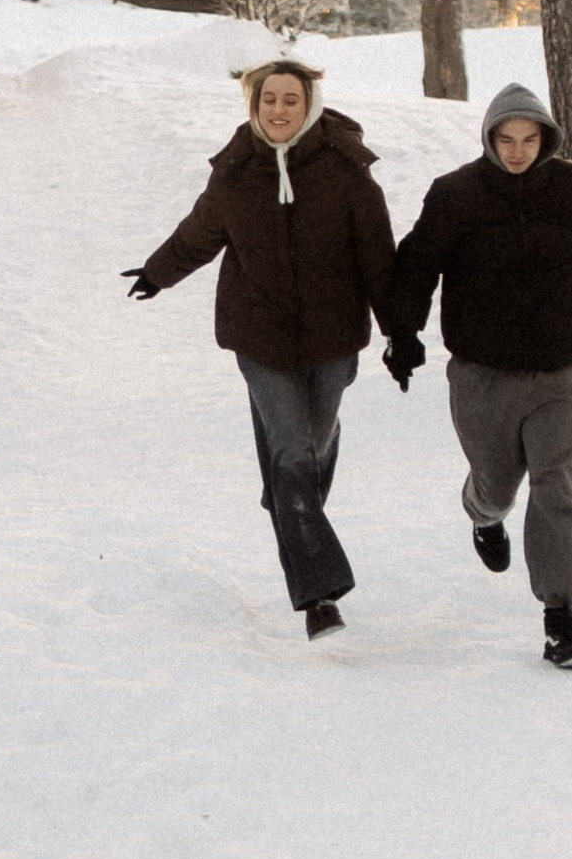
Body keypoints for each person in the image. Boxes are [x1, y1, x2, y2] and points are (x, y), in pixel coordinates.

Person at [126, 57, 396, 641]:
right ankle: (319, 596)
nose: (278, 110)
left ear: (310, 105)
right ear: (254, 105)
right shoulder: (237, 171)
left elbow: (378, 256)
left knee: (310, 451)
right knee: (294, 453)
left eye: (289, 100)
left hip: (332, 337)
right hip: (260, 337)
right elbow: (200, 232)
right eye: (268, 100)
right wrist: (157, 272)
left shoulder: (345, 170)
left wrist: (401, 331)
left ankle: (288, 504)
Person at [382, 78, 572, 672]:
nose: (518, 151)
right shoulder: (456, 195)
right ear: (489, 140)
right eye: (506, 139)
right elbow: (417, 264)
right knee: (497, 482)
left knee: (558, 485)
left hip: (557, 371)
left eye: (529, 139)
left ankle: (560, 618)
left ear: (546, 139)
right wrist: (403, 333)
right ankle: (483, 513)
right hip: (481, 373)